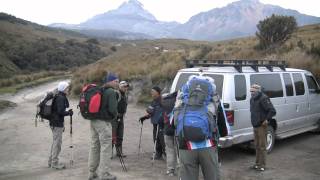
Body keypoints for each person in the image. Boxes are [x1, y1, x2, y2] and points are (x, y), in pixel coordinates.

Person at [174, 75, 220, 180]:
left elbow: (174, 122)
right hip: (208, 145)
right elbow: (221, 125)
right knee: (212, 176)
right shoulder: (213, 100)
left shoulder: (181, 101)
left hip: (186, 146)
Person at [88, 73, 119, 180]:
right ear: (109, 81)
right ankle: (104, 174)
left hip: (93, 121)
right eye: (116, 81)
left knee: (94, 146)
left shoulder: (100, 90)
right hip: (103, 122)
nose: (117, 83)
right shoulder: (111, 92)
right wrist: (115, 116)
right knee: (106, 147)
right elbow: (113, 110)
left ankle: (92, 172)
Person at [250, 84, 276, 172]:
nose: (251, 93)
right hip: (255, 125)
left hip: (261, 126)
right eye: (250, 91)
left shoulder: (264, 98)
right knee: (256, 146)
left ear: (258, 91)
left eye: (253, 91)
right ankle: (257, 164)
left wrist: (266, 119)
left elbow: (272, 111)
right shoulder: (252, 99)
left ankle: (263, 165)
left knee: (262, 146)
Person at [48, 81, 73, 169]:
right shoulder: (60, 98)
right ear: (63, 89)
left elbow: (59, 111)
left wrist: (66, 112)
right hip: (56, 123)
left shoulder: (59, 96)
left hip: (54, 122)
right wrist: (68, 113)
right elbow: (60, 112)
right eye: (67, 88)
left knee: (55, 142)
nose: (68, 89)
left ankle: (51, 161)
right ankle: (54, 163)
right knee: (57, 144)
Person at [139, 86, 166, 160]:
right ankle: (158, 153)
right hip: (155, 123)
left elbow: (151, 110)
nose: (151, 93)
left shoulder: (162, 101)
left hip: (161, 124)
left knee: (162, 139)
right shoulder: (154, 101)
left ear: (158, 92)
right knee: (156, 138)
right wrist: (145, 117)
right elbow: (151, 112)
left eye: (153, 92)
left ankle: (166, 154)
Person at [114, 81, 129, 157]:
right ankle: (108, 153)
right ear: (120, 86)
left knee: (120, 135)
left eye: (126, 87)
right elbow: (112, 106)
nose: (125, 88)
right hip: (114, 118)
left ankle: (119, 152)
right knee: (113, 135)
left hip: (121, 117)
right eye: (124, 86)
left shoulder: (125, 95)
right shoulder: (116, 94)